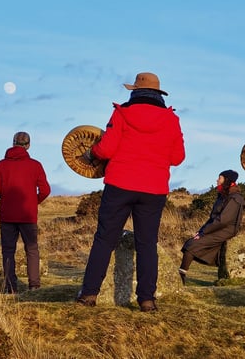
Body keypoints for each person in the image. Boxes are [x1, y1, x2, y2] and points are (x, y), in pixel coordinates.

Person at [76, 72, 185, 311]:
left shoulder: (122, 113)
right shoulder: (171, 120)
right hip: (154, 189)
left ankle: (89, 294)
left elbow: (106, 149)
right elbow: (178, 157)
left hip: (120, 184)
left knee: (105, 239)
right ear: (158, 94)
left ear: (134, 91)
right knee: (147, 243)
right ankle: (147, 300)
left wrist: (91, 153)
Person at [0, 131, 51, 294]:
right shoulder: (35, 165)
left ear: (13, 143)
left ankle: (10, 287)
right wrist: (33, 201)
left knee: (8, 250)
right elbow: (45, 190)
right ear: (28, 145)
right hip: (28, 214)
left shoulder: (1, 165)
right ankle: (34, 286)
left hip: (7, 215)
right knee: (31, 249)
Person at [179, 170, 245, 284]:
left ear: (227, 180)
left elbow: (223, 220)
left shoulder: (235, 198)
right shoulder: (222, 196)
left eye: (220, 178)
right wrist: (200, 231)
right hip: (217, 227)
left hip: (226, 230)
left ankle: (181, 276)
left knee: (192, 245)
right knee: (191, 243)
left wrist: (204, 233)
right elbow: (212, 218)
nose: (217, 180)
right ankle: (181, 275)